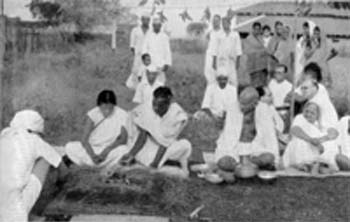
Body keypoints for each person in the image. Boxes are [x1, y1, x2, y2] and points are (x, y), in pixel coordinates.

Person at [0, 110, 62, 222]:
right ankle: (38, 211)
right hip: (15, 210)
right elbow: (58, 162)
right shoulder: (34, 140)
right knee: (46, 159)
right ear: (36, 130)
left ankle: (32, 216)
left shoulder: (4, 137)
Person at [121, 87, 192, 176]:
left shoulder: (176, 116)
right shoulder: (148, 109)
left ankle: (180, 168)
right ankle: (155, 165)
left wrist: (155, 164)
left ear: (168, 104)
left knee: (186, 145)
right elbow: (142, 135)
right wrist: (131, 154)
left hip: (165, 146)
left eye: (160, 106)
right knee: (133, 153)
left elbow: (165, 143)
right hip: (148, 143)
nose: (155, 108)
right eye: (154, 104)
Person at [65, 90, 129, 170]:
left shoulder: (122, 115)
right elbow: (84, 140)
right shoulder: (93, 113)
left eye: (110, 108)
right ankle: (96, 165)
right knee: (69, 146)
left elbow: (123, 139)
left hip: (110, 149)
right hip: (92, 149)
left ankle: (105, 167)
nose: (107, 111)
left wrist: (106, 151)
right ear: (99, 105)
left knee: (124, 149)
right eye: (104, 108)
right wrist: (92, 156)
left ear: (114, 105)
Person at [194, 68, 241, 161]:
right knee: (198, 116)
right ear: (217, 79)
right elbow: (205, 106)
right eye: (220, 79)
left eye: (225, 79)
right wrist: (214, 118)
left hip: (228, 115)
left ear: (227, 79)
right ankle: (207, 145)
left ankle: (227, 149)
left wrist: (224, 118)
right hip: (212, 114)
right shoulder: (211, 88)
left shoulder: (232, 89)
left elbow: (233, 107)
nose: (223, 81)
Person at [283, 102, 338, 173]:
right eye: (307, 111)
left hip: (313, 149)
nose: (308, 114)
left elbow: (333, 134)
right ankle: (305, 165)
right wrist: (310, 140)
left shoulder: (317, 125)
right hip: (300, 146)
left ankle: (317, 165)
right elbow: (295, 130)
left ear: (317, 116)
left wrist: (320, 141)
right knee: (301, 142)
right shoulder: (300, 118)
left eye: (312, 113)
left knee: (331, 144)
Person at [250, 86, 285, 169]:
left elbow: (280, 123)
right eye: (269, 95)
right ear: (260, 98)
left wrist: (277, 129)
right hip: (258, 144)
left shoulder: (270, 107)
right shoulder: (261, 107)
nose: (272, 97)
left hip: (269, 141)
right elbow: (268, 134)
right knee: (270, 157)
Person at [142, 16, 172, 84]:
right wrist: (145, 60)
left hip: (161, 63)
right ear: (152, 25)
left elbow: (167, 51)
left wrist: (167, 63)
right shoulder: (148, 35)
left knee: (160, 82)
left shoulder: (164, 37)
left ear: (161, 26)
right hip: (150, 62)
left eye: (158, 25)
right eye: (155, 25)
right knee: (148, 81)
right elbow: (144, 48)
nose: (157, 27)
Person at [213, 16, 242, 86]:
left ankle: (233, 95)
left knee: (233, 79)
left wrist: (238, 61)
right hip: (221, 60)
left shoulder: (235, 34)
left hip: (232, 60)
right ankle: (222, 94)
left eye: (226, 23)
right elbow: (215, 49)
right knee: (222, 78)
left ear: (229, 24)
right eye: (223, 23)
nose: (224, 25)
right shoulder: (219, 35)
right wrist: (214, 61)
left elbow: (238, 48)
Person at [128, 12, 151, 89]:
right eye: (145, 19)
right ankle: (134, 86)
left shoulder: (151, 31)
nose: (146, 21)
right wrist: (134, 52)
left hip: (148, 54)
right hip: (138, 54)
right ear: (141, 20)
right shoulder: (135, 30)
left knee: (146, 70)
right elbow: (132, 44)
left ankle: (145, 85)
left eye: (148, 20)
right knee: (136, 69)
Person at [243, 22, 269, 87]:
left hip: (262, 66)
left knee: (263, 85)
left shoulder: (261, 38)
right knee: (255, 85)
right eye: (255, 29)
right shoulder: (248, 39)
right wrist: (262, 51)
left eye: (258, 29)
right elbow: (248, 51)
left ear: (260, 30)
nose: (257, 31)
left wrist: (263, 51)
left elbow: (265, 49)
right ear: (253, 29)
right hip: (253, 66)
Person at [204, 14, 221, 84]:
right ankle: (211, 86)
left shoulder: (222, 32)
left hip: (218, 55)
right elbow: (207, 38)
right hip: (209, 54)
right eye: (213, 21)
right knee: (208, 71)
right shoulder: (210, 32)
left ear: (220, 22)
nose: (214, 23)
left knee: (218, 72)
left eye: (216, 21)